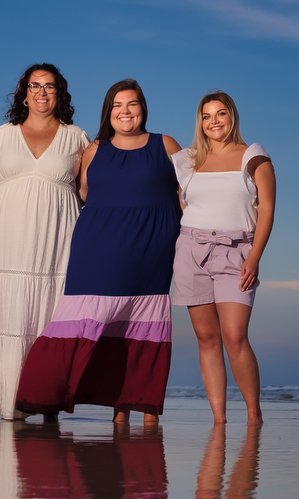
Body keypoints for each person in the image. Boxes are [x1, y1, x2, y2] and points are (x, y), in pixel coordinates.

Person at [15, 79, 181, 426]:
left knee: (142, 326)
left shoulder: (165, 145)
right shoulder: (94, 150)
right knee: (82, 319)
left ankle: (141, 408)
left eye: (132, 104)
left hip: (151, 251)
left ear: (143, 109)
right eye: (118, 105)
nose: (125, 111)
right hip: (97, 249)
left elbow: (189, 192)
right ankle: (44, 396)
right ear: (108, 112)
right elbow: (84, 194)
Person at [0, 64, 89, 421]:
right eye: (35, 86)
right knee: (8, 312)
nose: (41, 93)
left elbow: (87, 192)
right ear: (24, 92)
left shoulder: (77, 137)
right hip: (5, 239)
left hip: (57, 240)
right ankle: (9, 400)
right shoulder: (2, 135)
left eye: (49, 86)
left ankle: (47, 399)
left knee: (50, 313)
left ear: (59, 93)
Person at [170, 91, 276, 425]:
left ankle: (253, 414)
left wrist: (254, 257)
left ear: (232, 117)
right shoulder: (187, 161)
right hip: (192, 251)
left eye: (221, 114)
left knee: (235, 336)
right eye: (207, 116)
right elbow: (182, 204)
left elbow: (268, 209)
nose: (214, 121)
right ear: (200, 122)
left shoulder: (253, 156)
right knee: (206, 338)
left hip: (237, 252)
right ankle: (219, 419)